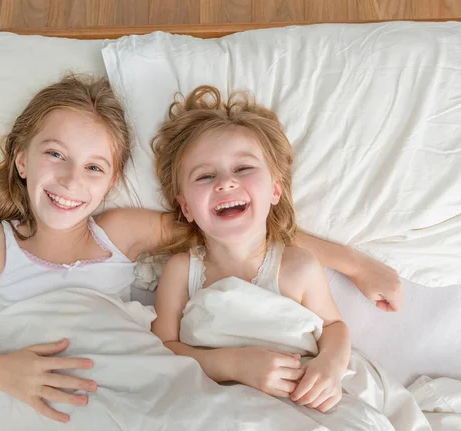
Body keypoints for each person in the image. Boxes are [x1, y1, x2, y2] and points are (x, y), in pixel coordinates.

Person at [0, 75, 402, 425]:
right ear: (22, 160)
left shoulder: (118, 231)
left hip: (128, 389)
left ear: (112, 181)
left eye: (94, 167)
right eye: (55, 154)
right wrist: (5, 374)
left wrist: (355, 264)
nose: (71, 180)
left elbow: (233, 226)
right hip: (31, 395)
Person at [151, 85, 370, 412]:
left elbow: (335, 328)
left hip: (299, 398)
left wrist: (330, 366)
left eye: (243, 169)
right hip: (216, 405)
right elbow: (164, 349)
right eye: (205, 175)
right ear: (186, 208)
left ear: (275, 189)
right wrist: (234, 364)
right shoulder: (182, 270)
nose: (225, 182)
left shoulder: (298, 266)